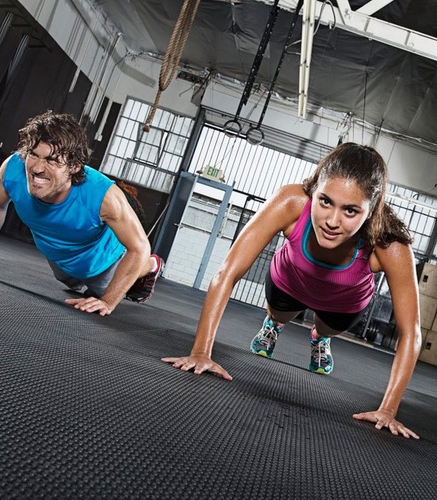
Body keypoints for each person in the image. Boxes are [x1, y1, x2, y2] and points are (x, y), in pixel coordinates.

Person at [162, 142, 423, 439]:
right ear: (315, 191)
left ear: (372, 210)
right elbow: (227, 272)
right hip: (289, 282)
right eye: (325, 202)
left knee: (326, 329)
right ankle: (273, 324)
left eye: (350, 210)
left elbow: (410, 332)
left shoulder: (389, 244)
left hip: (343, 303)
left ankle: (320, 339)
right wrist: (200, 352)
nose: (332, 221)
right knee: (280, 313)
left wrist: (388, 409)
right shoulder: (291, 203)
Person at [0, 111, 163, 316]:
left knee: (102, 287)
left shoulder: (104, 195)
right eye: (34, 155)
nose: (38, 168)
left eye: (52, 160)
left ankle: (151, 267)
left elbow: (139, 247)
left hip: (101, 262)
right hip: (61, 261)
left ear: (74, 167)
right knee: (68, 282)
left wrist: (107, 301)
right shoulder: (14, 168)